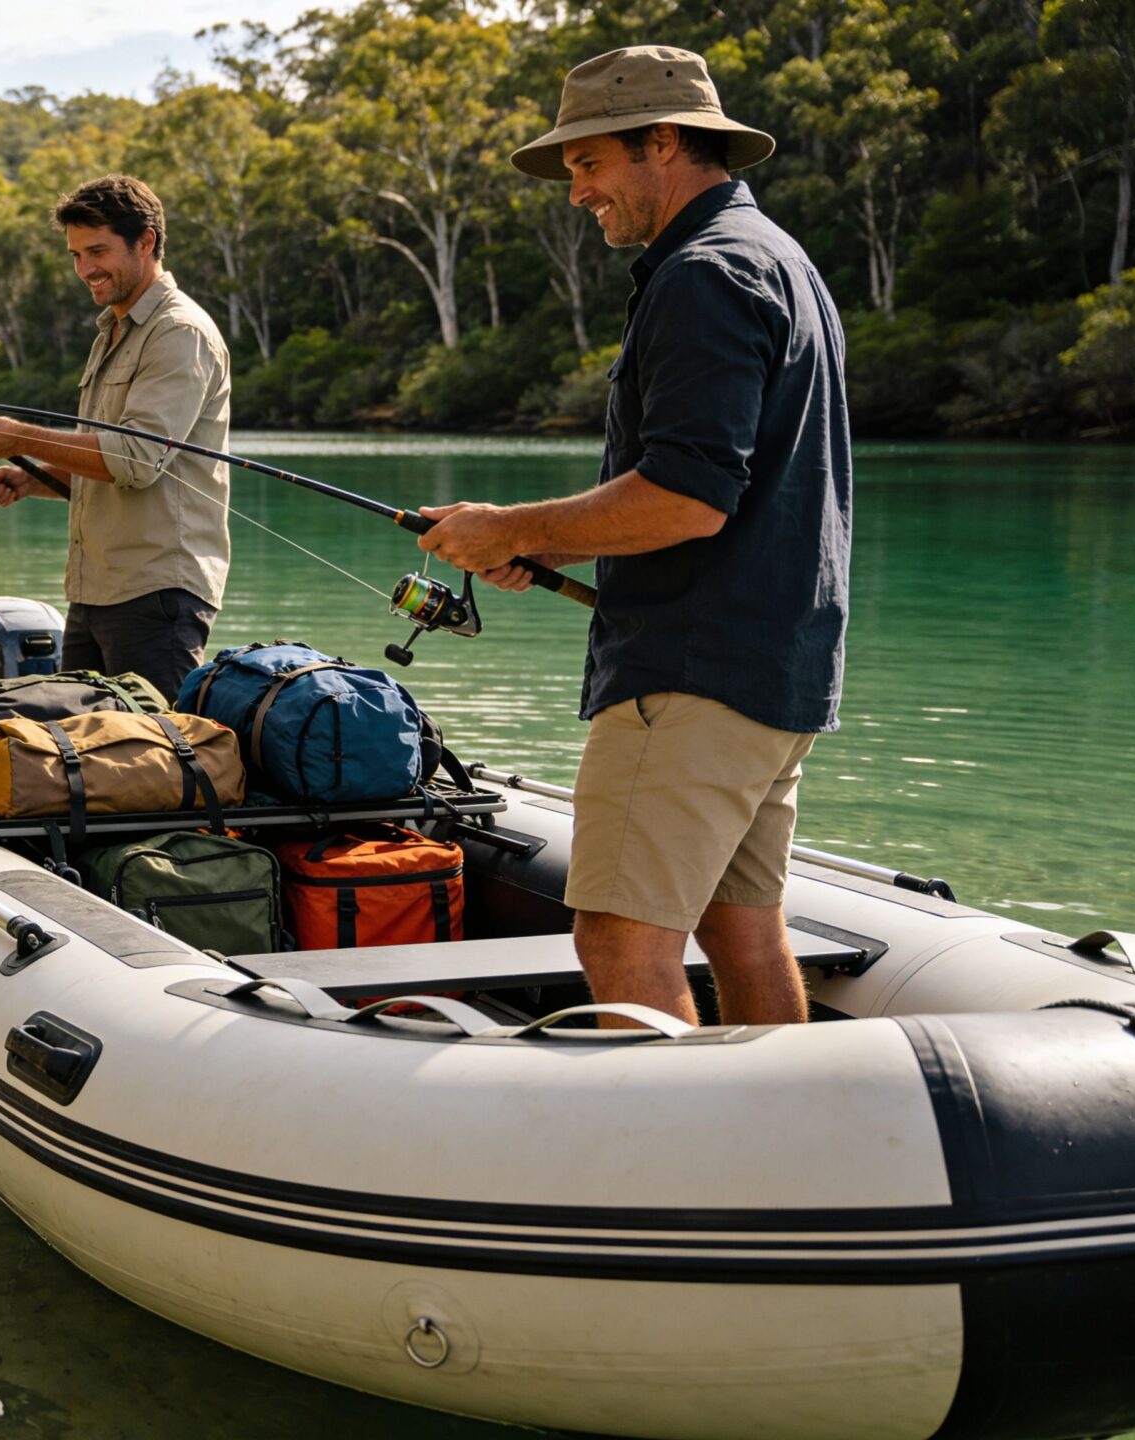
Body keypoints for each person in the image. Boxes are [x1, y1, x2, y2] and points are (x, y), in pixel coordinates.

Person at [414, 46, 850, 1029]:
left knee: (617, 937)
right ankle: (784, 1158)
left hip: (688, 680)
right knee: (743, 931)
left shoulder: (704, 274)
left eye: (586, 164)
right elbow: (716, 490)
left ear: (661, 144)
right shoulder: (781, 260)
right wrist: (548, 545)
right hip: (773, 673)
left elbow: (688, 499)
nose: (576, 193)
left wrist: (510, 526)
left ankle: (685, 1177)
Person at [0, 173, 233, 700]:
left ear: (147, 242)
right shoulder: (113, 330)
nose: (85, 269)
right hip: (96, 593)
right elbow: (106, 461)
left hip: (156, 596)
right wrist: (30, 478)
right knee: (89, 762)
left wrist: (20, 435)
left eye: (98, 251)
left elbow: (134, 460)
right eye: (75, 254)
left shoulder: (179, 333)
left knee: (154, 763)